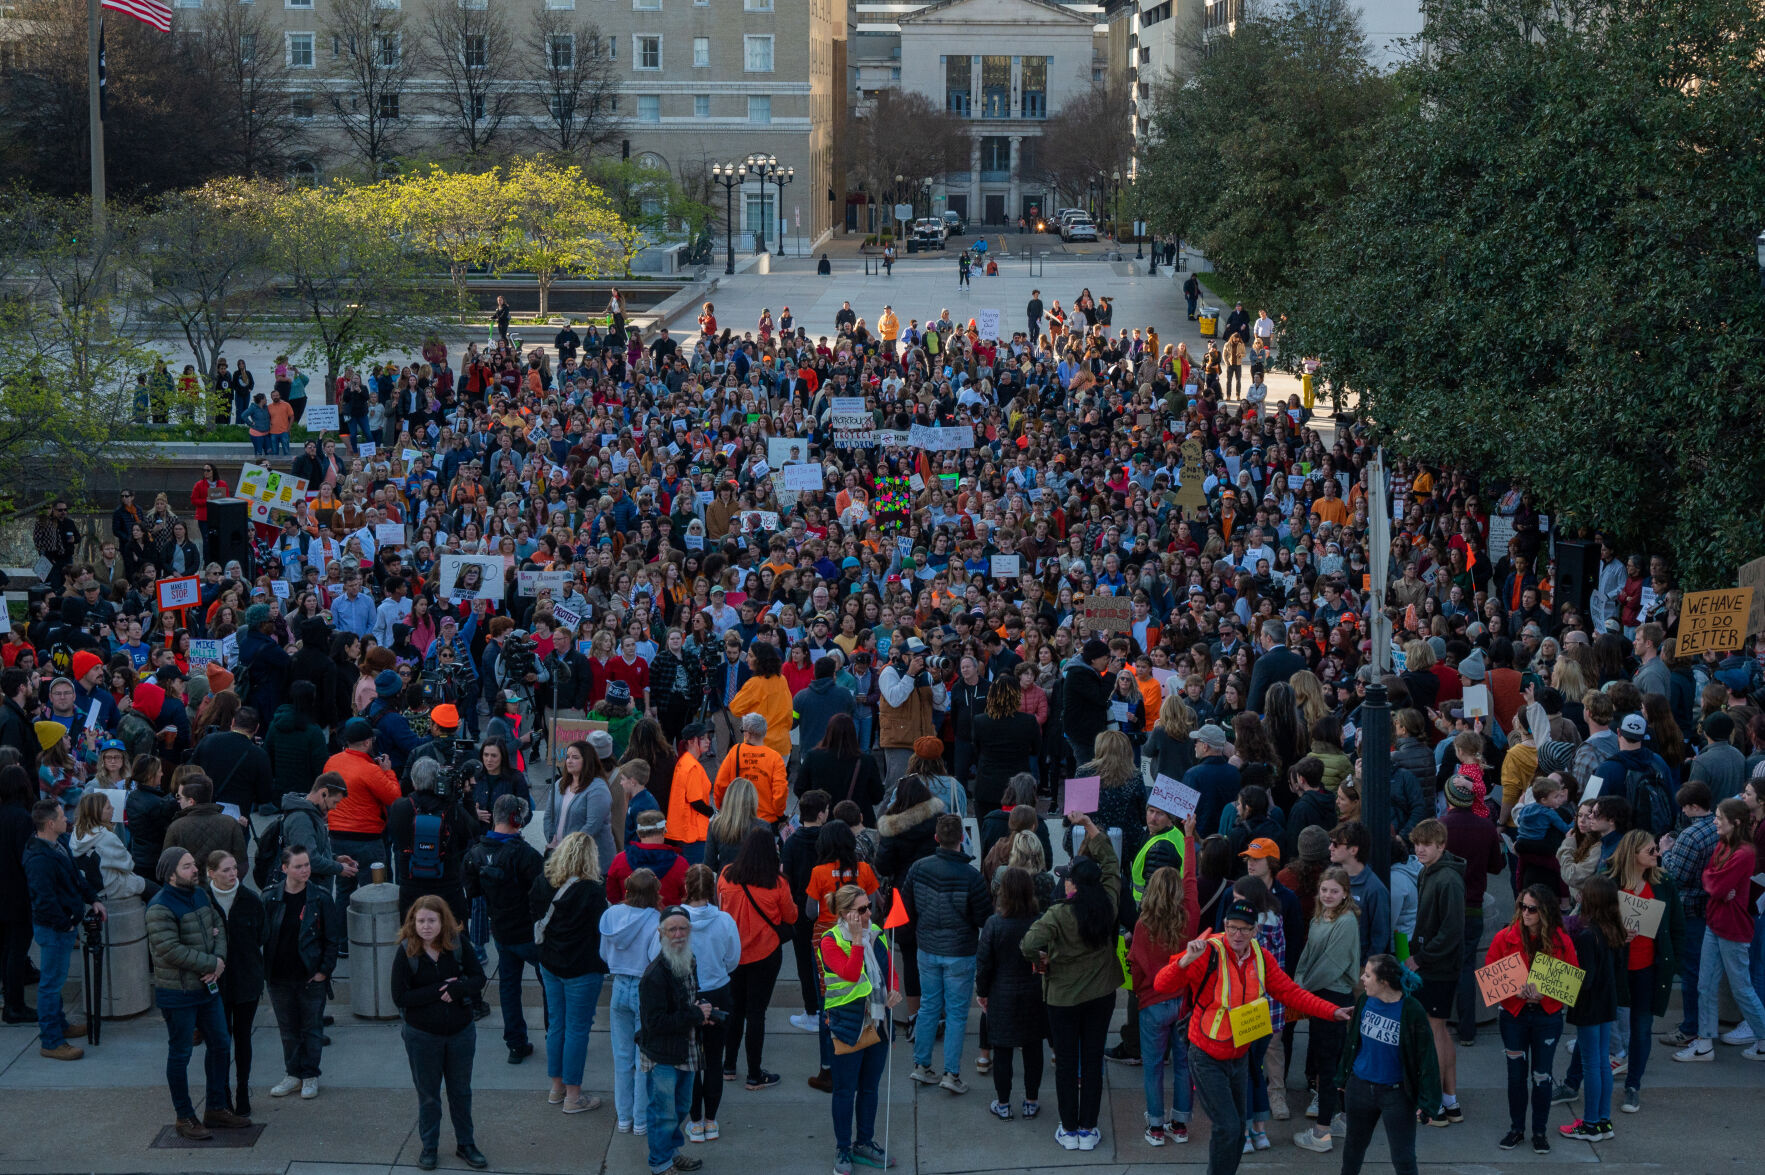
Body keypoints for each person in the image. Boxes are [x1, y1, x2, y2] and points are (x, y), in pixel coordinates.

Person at [1153, 893, 1350, 1175]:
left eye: (1245, 928)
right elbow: (1161, 984)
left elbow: (1290, 993)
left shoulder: (1261, 956)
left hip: (1240, 1057)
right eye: (1232, 927)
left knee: (1236, 1131)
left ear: (1256, 930)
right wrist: (1184, 961)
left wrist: (1332, 1011)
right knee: (1229, 1128)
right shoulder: (1207, 952)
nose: (1237, 934)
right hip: (1206, 1056)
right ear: (1224, 924)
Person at [1020, 812, 1122, 1150]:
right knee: (1092, 1060)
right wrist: (1092, 827)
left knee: (1066, 1063)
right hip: (1101, 995)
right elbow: (1111, 866)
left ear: (1073, 885)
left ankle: (1068, 1128)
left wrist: (1041, 962)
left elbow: (1028, 944)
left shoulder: (1058, 914)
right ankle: (1088, 1128)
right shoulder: (1108, 903)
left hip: (1063, 998)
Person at [144, 846, 248, 1141]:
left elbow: (218, 926)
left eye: (194, 864)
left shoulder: (200, 894)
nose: (195, 870)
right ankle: (184, 1116)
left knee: (220, 1044)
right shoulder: (159, 907)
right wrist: (210, 962)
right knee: (180, 1054)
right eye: (188, 866)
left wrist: (218, 962)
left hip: (207, 987)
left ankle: (215, 1108)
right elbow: (169, 949)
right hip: (178, 993)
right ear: (171, 873)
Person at [391, 894, 490, 1172]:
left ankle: (466, 1144)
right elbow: (400, 996)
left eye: (431, 920)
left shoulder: (458, 944)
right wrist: (439, 991)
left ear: (442, 920)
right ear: (413, 921)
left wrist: (457, 988)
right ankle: (429, 1147)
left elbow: (478, 979)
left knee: (460, 1091)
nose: (425, 926)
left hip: (460, 1032)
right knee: (429, 1095)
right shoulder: (407, 951)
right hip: (422, 1036)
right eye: (420, 920)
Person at [1485, 882, 1579, 1153]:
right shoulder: (1504, 937)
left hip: (1546, 1017)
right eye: (1522, 907)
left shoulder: (1562, 940)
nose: (1526, 913)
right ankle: (1517, 1129)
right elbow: (1492, 976)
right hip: (1513, 1016)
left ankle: (1539, 1131)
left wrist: (1544, 995)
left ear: (1545, 911)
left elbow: (1570, 980)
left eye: (1532, 909)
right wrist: (1516, 991)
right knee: (1515, 1077)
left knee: (1542, 1075)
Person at [902, 812, 992, 1092]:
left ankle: (921, 1065)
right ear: (962, 839)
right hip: (960, 953)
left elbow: (906, 908)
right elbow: (983, 918)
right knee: (955, 1014)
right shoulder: (971, 877)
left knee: (929, 1006)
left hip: (927, 948)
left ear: (936, 838)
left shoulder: (918, 868)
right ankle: (951, 1074)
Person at [1332, 954, 1443, 1175]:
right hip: (1359, 1089)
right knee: (1352, 1152)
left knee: (1403, 1159)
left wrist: (1429, 1103)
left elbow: (1427, 1058)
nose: (1362, 978)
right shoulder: (1364, 1000)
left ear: (1383, 982)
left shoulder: (1412, 1010)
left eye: (1368, 974)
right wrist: (1342, 1078)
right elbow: (1353, 1042)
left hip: (1396, 1095)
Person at [1674, 797, 1765, 1061]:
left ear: (1734, 822)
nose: (1714, 822)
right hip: (1715, 924)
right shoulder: (1724, 845)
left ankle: (1762, 1038)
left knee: (1742, 988)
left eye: (1718, 818)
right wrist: (1715, 882)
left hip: (1734, 929)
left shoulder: (1744, 853)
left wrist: (1716, 883)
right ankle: (1704, 1043)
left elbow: (1717, 885)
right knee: (1705, 985)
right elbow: (1710, 877)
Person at [820, 883, 900, 1175]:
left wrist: (894, 990)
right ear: (844, 913)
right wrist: (856, 939)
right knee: (845, 1090)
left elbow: (889, 970)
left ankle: (864, 1142)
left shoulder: (877, 934)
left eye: (869, 907)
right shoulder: (830, 941)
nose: (869, 913)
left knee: (869, 1088)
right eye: (862, 909)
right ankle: (843, 1148)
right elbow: (852, 974)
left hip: (878, 1023)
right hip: (849, 1025)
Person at [529, 830, 609, 1113]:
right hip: (582, 969)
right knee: (577, 1030)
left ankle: (557, 1088)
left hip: (550, 963)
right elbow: (602, 932)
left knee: (556, 1026)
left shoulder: (543, 882)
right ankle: (574, 1097)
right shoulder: (593, 891)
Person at [463, 794, 544, 1064]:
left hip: (501, 931)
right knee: (550, 985)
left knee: (508, 987)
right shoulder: (526, 855)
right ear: (516, 818)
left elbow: (473, 891)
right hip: (530, 933)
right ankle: (553, 1034)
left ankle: (515, 1043)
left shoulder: (475, 854)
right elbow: (542, 893)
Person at [23, 798, 104, 1060]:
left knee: (54, 982)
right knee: (51, 985)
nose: (66, 819)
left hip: (62, 925)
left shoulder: (59, 844)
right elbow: (43, 899)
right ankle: (51, 1041)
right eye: (60, 816)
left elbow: (75, 878)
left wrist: (93, 899)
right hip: (54, 929)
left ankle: (61, 1026)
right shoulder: (38, 858)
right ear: (49, 823)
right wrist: (66, 923)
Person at [1128, 850, 1200, 1146]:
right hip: (1183, 1002)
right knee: (1184, 1066)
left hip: (1153, 1002)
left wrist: (1141, 992)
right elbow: (1192, 879)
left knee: (1154, 1066)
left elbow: (1136, 970)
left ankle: (1156, 1126)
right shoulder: (1190, 917)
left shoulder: (1143, 926)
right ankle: (1180, 1124)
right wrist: (1189, 837)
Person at [717, 826, 796, 1090]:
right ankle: (754, 1073)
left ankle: (728, 1065)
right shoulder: (777, 883)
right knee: (756, 1013)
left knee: (734, 1010)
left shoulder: (726, 876)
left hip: (732, 955)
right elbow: (791, 917)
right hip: (765, 954)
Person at [262, 845, 342, 1101]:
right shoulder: (271, 897)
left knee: (311, 1028)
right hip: (279, 976)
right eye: (299, 866)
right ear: (285, 869)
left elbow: (332, 939)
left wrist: (323, 972)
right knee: (288, 1029)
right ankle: (293, 1074)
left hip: (310, 977)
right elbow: (261, 934)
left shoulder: (319, 897)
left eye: (306, 864)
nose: (305, 870)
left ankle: (310, 1075)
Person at [1291, 866, 1362, 1152]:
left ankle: (1321, 1133)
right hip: (1316, 995)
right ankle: (1340, 1120)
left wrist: (1300, 991)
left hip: (1334, 998)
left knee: (1329, 1064)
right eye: (1325, 890)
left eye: (1335, 890)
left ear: (1346, 892)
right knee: (1329, 1060)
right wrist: (1298, 982)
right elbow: (1308, 955)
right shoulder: (1320, 916)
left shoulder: (1346, 922)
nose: (1329, 895)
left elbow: (1332, 965)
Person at [640, 904, 712, 1175]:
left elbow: (689, 999)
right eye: (672, 929)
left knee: (681, 1106)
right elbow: (654, 1023)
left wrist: (702, 1009)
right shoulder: (654, 975)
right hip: (662, 1054)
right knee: (663, 1112)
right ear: (661, 933)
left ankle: (670, 1152)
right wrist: (695, 1014)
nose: (678, 934)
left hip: (686, 1049)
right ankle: (660, 1164)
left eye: (683, 928)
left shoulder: (688, 960)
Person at [1406, 818, 1467, 1126]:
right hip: (1436, 964)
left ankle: (1436, 1106)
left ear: (1441, 846)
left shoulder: (1448, 880)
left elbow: (1453, 931)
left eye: (1426, 844)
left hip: (1438, 967)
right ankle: (1449, 1100)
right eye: (1417, 843)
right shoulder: (1429, 873)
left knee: (1433, 1033)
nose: (1420, 849)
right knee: (1440, 1031)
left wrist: (1420, 958)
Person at [1557, 875, 1626, 1142]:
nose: (1579, 897)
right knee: (1601, 1064)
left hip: (1589, 1007)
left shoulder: (1587, 936)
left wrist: (1553, 978)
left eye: (1583, 894)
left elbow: (1584, 979)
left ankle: (1589, 1124)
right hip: (1606, 1005)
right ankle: (1602, 1121)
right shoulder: (1613, 930)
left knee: (1591, 1064)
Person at [977, 865, 1048, 1122]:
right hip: (1033, 993)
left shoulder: (994, 924)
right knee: (1033, 1048)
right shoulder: (1038, 921)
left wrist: (982, 992)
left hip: (1002, 994)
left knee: (1002, 1049)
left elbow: (984, 963)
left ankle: (1004, 1103)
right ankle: (1031, 1101)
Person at [601, 867, 663, 1134]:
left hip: (619, 988)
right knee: (643, 1058)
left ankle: (623, 1117)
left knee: (621, 1055)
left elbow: (604, 953)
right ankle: (641, 1119)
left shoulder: (611, 915)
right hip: (643, 990)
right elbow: (656, 959)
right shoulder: (654, 920)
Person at [205, 850, 266, 1120]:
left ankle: (242, 1090)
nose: (233, 875)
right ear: (211, 873)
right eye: (226, 870)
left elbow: (262, 936)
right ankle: (221, 1095)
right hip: (214, 984)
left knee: (242, 1039)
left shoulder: (251, 900)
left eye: (234, 869)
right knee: (218, 1041)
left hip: (246, 981)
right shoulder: (202, 900)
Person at [667, 723, 717, 865]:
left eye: (709, 738)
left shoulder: (683, 761)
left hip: (684, 830)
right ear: (691, 741)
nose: (708, 741)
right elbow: (696, 802)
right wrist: (712, 813)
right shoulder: (693, 767)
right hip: (693, 832)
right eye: (704, 738)